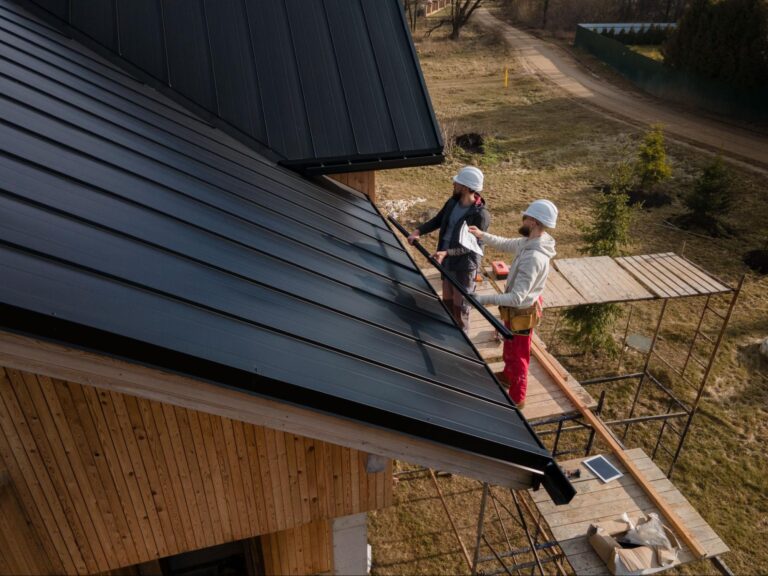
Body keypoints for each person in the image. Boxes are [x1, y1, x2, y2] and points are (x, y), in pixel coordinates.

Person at [468, 199, 558, 409]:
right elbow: (507, 243)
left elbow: (517, 297)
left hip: (522, 312)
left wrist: (482, 300)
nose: (522, 219)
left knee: (519, 357)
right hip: (516, 311)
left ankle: (518, 398)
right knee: (510, 346)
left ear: (534, 222)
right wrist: (482, 235)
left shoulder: (534, 257)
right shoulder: (532, 241)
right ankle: (507, 376)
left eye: (525, 217)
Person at [408, 166, 490, 334]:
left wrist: (447, 253)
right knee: (447, 301)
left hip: (464, 266)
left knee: (461, 307)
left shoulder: (480, 215)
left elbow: (471, 246)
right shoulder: (452, 202)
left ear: (466, 188)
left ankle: (463, 341)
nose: (453, 183)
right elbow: (438, 220)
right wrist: (418, 231)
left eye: (457, 182)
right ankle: (449, 334)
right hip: (446, 260)